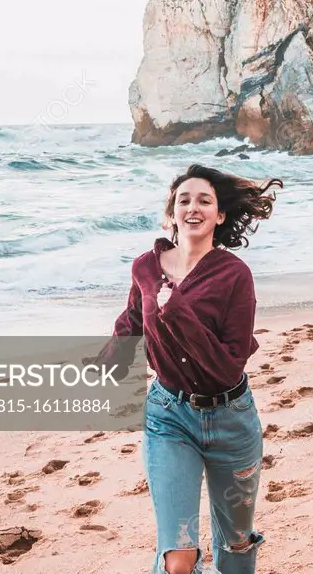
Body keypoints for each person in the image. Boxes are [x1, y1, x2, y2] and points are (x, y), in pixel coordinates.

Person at [106, 162, 283, 574]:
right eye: (183, 200)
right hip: (168, 417)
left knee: (236, 546)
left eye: (204, 200)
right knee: (177, 557)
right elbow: (133, 319)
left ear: (220, 215)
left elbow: (228, 365)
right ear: (171, 213)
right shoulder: (145, 268)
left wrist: (178, 311)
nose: (193, 207)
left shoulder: (235, 275)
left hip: (231, 421)